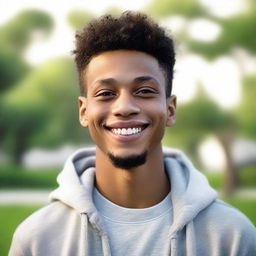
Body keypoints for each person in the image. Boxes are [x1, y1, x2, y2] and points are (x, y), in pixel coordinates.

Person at [9, 11, 256, 256]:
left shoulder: (232, 237)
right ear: (84, 111)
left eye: (144, 91)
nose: (125, 107)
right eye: (106, 93)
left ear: (170, 110)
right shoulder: (37, 240)